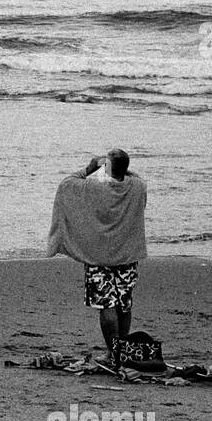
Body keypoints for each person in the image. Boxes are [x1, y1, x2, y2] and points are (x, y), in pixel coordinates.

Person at [45, 149, 148, 367]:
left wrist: (91, 167)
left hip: (100, 257)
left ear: (107, 168)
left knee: (107, 305)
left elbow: (67, 184)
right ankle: (122, 351)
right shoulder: (137, 187)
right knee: (124, 303)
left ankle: (113, 354)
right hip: (127, 255)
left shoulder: (93, 187)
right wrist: (118, 167)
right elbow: (134, 176)